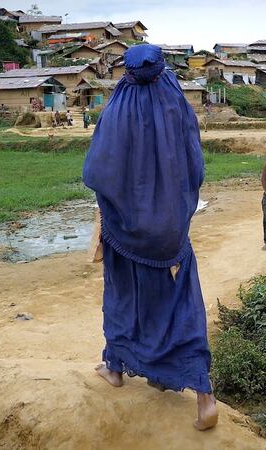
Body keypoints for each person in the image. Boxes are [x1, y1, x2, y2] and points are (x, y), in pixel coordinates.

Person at [82, 44, 218, 431]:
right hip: (170, 229)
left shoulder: (118, 105)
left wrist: (117, 210)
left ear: (128, 72)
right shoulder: (176, 100)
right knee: (181, 302)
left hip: (126, 226)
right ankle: (203, 396)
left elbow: (98, 171)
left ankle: (115, 368)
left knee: (125, 296)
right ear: (161, 70)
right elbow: (195, 166)